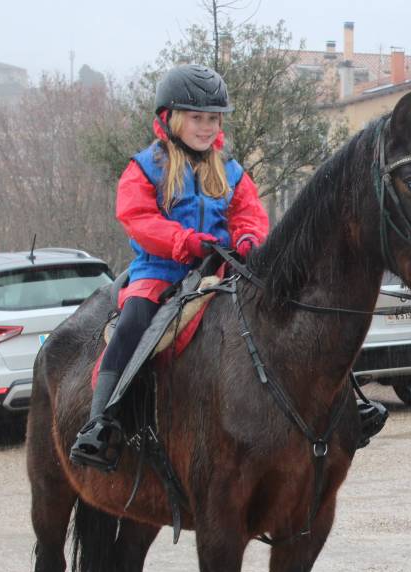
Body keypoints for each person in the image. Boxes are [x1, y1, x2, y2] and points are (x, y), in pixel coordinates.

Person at [70, 63, 269, 469]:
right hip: (159, 273)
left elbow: (249, 212)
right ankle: (100, 422)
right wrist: (185, 242)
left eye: (213, 118)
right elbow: (138, 219)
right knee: (131, 326)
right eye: (197, 118)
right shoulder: (143, 167)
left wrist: (248, 238)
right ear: (171, 118)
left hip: (219, 271)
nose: (207, 127)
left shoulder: (230, 169)